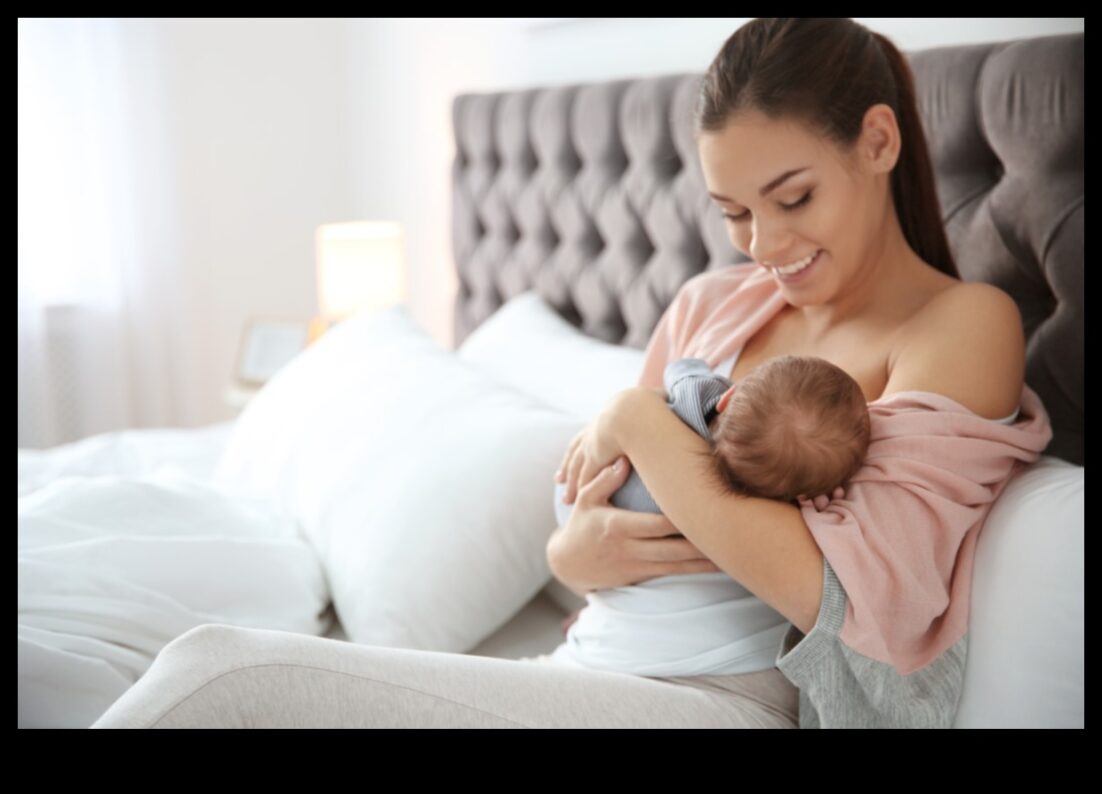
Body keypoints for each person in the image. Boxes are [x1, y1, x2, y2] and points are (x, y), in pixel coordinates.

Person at [90, 18, 1051, 729]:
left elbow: (841, 593)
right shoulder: (712, 306)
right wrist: (572, 556)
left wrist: (640, 418)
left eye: (791, 197)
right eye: (733, 214)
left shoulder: (963, 324)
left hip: (724, 696)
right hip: (594, 655)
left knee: (222, 676)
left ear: (878, 141)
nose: (764, 245)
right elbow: (588, 515)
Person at [542, 353, 870, 677]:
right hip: (622, 554)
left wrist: (685, 373)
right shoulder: (778, 501)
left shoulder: (699, 395)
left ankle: (592, 606)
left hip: (592, 493)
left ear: (727, 397)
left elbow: (680, 369)